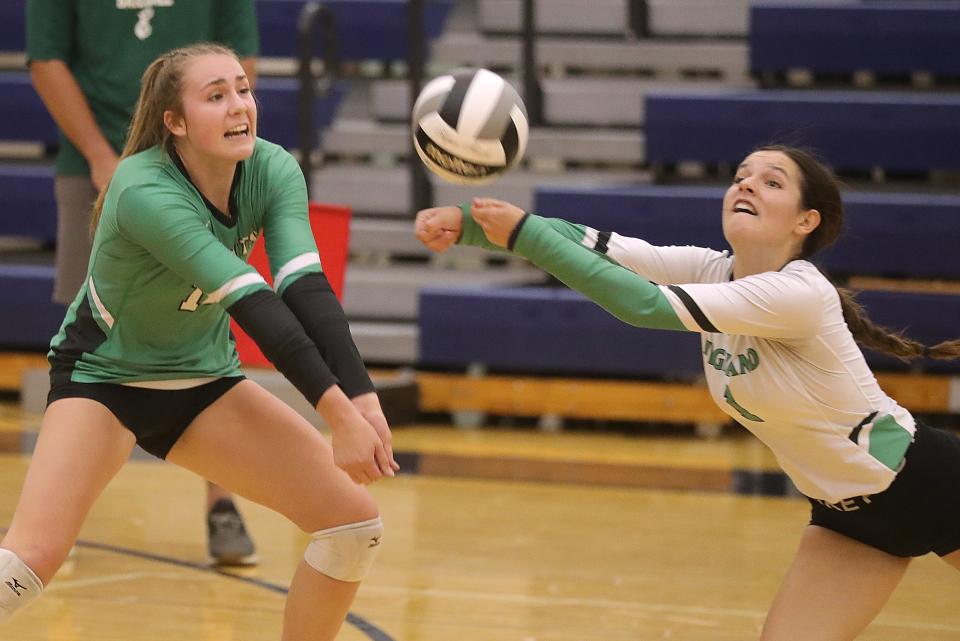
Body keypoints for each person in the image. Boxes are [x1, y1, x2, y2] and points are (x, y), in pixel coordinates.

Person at [414, 145, 960, 641]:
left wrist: (523, 236)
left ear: (805, 220)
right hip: (848, 517)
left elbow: (643, 305)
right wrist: (471, 224)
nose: (745, 185)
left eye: (771, 182)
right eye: (740, 175)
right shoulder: (711, 270)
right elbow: (602, 248)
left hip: (926, 482)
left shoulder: (798, 292)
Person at [0, 43, 399, 640]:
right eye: (216, 96)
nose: (239, 105)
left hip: (205, 384)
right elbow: (256, 305)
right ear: (176, 123)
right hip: (105, 382)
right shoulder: (144, 189)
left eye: (243, 89)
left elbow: (305, 288)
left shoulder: (271, 168)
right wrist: (336, 414)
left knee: (352, 527)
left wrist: (364, 399)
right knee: (27, 565)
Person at [27, 0, 262, 566]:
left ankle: (221, 503)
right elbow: (46, 61)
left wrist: (217, 144)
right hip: (94, 158)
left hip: (197, 157)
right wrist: (102, 155)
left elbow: (240, 62)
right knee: (87, 330)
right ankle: (57, 505)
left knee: (211, 306)